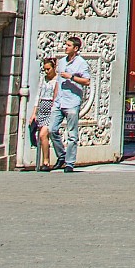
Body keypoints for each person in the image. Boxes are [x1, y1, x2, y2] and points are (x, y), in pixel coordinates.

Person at [52, 36, 92, 172]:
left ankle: (70, 163)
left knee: (72, 134)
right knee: (52, 129)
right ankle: (61, 155)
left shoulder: (81, 63)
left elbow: (87, 81)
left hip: (72, 101)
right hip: (59, 101)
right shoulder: (62, 61)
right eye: (66, 44)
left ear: (75, 48)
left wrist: (72, 77)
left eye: (68, 45)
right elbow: (58, 81)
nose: (65, 47)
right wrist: (54, 98)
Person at [31, 57, 60, 170]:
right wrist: (34, 113)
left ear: (54, 68)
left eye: (48, 69)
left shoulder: (57, 80)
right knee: (40, 136)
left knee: (43, 134)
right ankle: (42, 160)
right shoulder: (43, 79)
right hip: (42, 108)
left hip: (51, 109)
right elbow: (38, 95)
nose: (47, 72)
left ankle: (46, 161)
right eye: (45, 69)